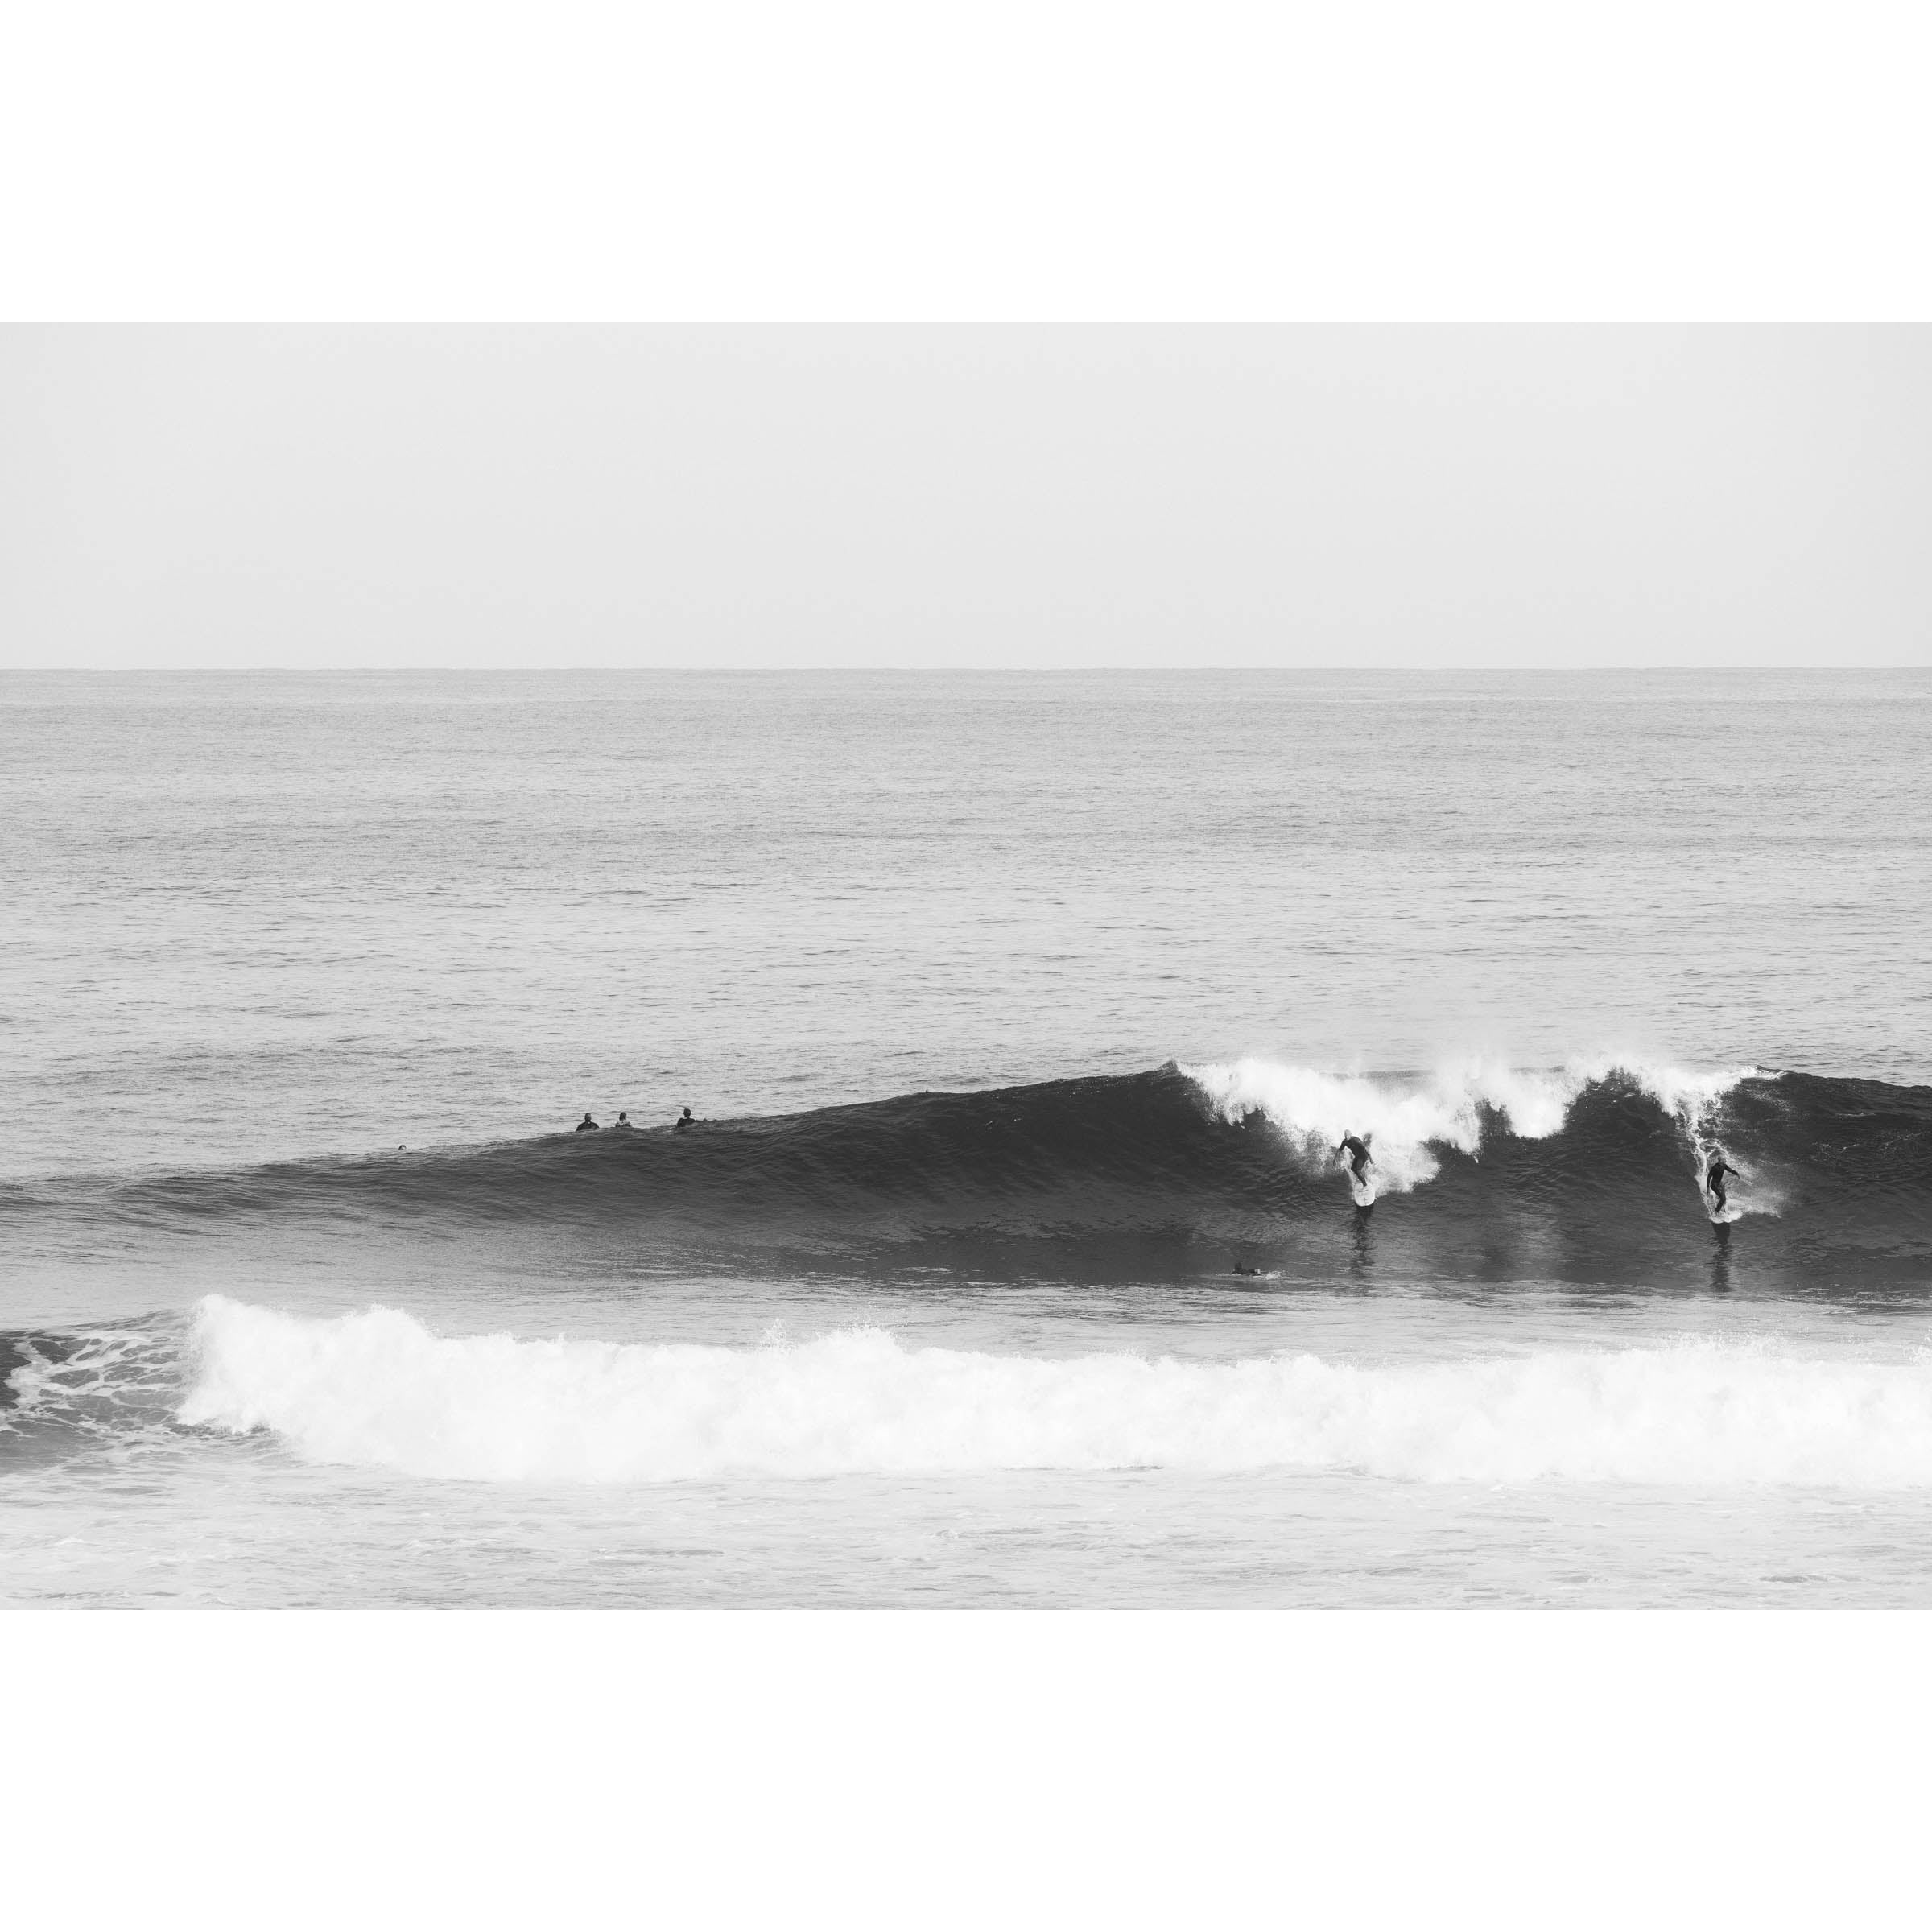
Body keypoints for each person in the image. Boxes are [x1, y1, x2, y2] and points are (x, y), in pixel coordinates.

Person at [1705, 1149, 1739, 1213]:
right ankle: (1717, 1211)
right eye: (1724, 1159)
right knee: (1723, 1199)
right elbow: (1709, 1177)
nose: (1725, 1160)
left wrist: (1737, 1174)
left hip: (1719, 1184)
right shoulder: (1715, 1168)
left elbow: (1730, 1170)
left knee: (1723, 1198)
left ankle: (1720, 1201)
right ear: (1721, 1160)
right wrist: (1708, 1187)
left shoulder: (1724, 1165)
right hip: (1714, 1185)